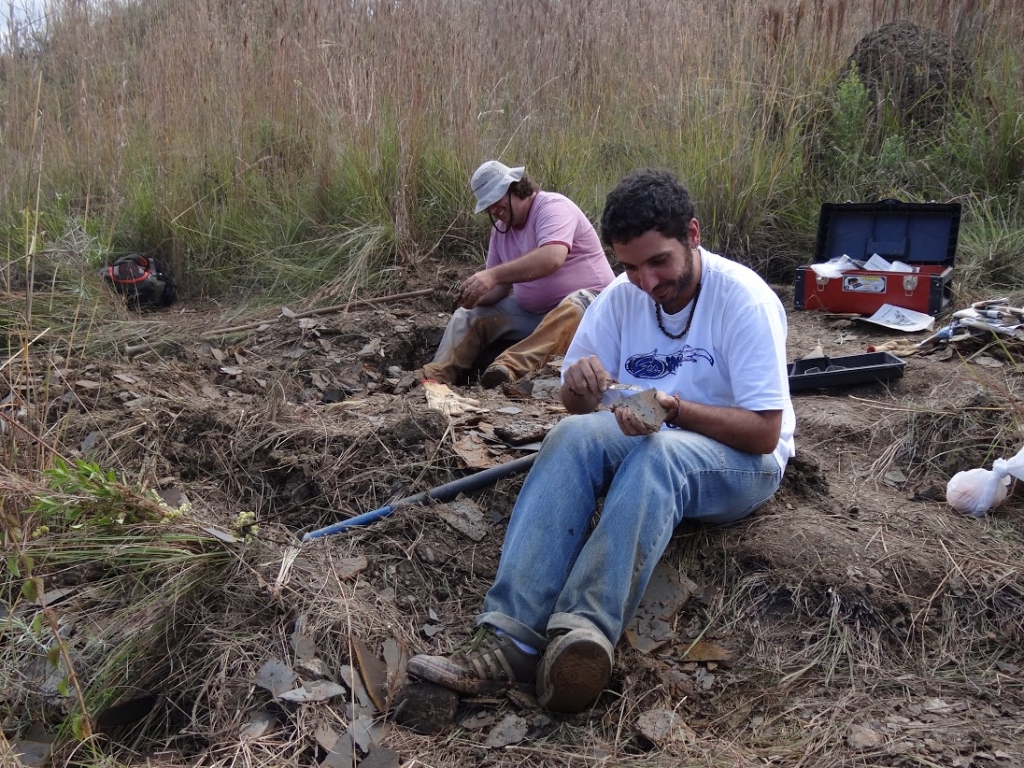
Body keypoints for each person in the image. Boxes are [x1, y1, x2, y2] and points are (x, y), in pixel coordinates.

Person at [407, 168, 795, 713]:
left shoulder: (743, 300)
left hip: (740, 462)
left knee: (662, 455)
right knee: (570, 436)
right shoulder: (620, 296)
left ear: (693, 234)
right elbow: (578, 406)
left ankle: (581, 637)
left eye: (658, 261)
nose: (647, 282)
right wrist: (580, 389)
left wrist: (677, 409)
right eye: (631, 266)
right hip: (650, 436)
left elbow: (764, 432)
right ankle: (509, 639)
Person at [421, 160, 615, 388]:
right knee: (469, 315)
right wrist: (474, 295)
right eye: (488, 206)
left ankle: (508, 368)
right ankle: (435, 377)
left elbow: (552, 257)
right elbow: (500, 287)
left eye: (496, 200)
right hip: (535, 315)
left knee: (574, 305)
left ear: (515, 188)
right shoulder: (501, 230)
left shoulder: (552, 207)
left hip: (593, 308)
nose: (493, 210)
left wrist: (492, 276)